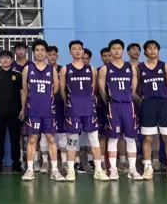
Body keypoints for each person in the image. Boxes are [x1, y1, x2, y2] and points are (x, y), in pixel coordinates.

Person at [59, 40, 107, 181]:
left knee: (94, 140)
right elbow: (62, 90)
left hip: (89, 109)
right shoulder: (65, 69)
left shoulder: (91, 69)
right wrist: (70, 103)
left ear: (83, 51)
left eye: (80, 48)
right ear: (70, 52)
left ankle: (98, 170)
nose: (77, 51)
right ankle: (71, 171)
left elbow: (93, 89)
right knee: (72, 141)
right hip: (73, 110)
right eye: (74, 49)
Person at [98, 40, 142, 180]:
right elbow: (102, 90)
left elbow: (133, 88)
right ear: (110, 51)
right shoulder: (105, 69)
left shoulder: (131, 68)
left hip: (128, 105)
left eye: (119, 48)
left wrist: (126, 98)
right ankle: (113, 169)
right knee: (113, 138)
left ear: (122, 51)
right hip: (114, 105)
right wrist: (111, 100)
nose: (116, 51)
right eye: (113, 48)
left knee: (130, 138)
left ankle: (132, 169)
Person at [138, 40, 167, 181]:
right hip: (148, 103)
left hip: (163, 103)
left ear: (158, 50)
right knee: (147, 138)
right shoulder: (139, 68)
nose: (152, 50)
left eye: (155, 48)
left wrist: (166, 96)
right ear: (145, 52)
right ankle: (147, 167)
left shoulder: (165, 66)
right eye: (149, 48)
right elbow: (137, 86)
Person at [21, 39, 63, 182]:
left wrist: (46, 98)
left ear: (46, 53)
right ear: (33, 53)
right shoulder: (28, 69)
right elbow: (25, 89)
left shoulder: (52, 70)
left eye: (42, 50)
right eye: (37, 50)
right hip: (33, 110)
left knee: (51, 138)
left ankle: (55, 169)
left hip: (48, 110)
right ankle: (30, 169)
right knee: (32, 138)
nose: (40, 53)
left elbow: (55, 88)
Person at [0, 50, 23, 173]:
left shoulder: (18, 75)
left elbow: (22, 93)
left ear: (12, 60)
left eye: (8, 58)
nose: (5, 60)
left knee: (15, 140)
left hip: (15, 113)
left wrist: (23, 109)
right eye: (3, 57)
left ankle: (16, 164)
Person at [46, 45, 67, 173]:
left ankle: (64, 162)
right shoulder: (42, 69)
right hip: (46, 105)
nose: (52, 57)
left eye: (54, 54)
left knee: (62, 134)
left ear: (57, 55)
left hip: (60, 105)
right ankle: (45, 163)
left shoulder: (63, 70)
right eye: (49, 54)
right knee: (46, 135)